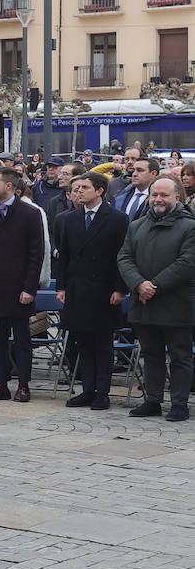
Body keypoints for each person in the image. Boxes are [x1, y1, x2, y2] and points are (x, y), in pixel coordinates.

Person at [117, 177, 195, 421]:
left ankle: (179, 404)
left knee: (180, 356)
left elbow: (187, 262)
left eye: (164, 195)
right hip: (144, 301)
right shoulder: (137, 225)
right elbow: (124, 258)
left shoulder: (190, 226)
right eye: (155, 195)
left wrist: (155, 286)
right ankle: (153, 400)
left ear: (176, 198)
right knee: (150, 354)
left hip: (177, 303)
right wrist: (139, 284)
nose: (158, 199)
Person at [55, 172, 127, 411]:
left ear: (99, 191)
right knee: (82, 342)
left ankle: (102, 392)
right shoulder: (70, 219)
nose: (78, 192)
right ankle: (87, 389)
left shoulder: (117, 219)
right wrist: (62, 286)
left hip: (104, 290)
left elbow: (121, 257)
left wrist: (120, 288)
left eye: (84, 187)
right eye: (76, 188)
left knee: (102, 344)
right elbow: (63, 256)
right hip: (77, 288)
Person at [0, 168, 45, 403]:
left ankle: (23, 384)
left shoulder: (30, 213)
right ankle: (0, 384)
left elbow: (37, 255)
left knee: (22, 338)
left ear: (9, 187)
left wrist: (29, 288)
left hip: (19, 287)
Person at [114, 156, 157, 220]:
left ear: (153, 174)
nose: (134, 174)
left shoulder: (158, 200)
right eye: (134, 170)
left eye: (140, 170)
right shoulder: (120, 196)